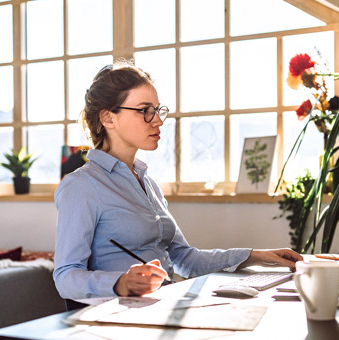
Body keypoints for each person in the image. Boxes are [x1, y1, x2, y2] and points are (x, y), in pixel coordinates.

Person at [53, 61, 302, 302]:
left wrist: (255, 256)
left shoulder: (147, 182)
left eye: (158, 110)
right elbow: (65, 277)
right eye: (145, 111)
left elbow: (186, 259)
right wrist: (121, 283)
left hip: (163, 306)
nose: (158, 120)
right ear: (108, 119)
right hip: (117, 319)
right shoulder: (82, 186)